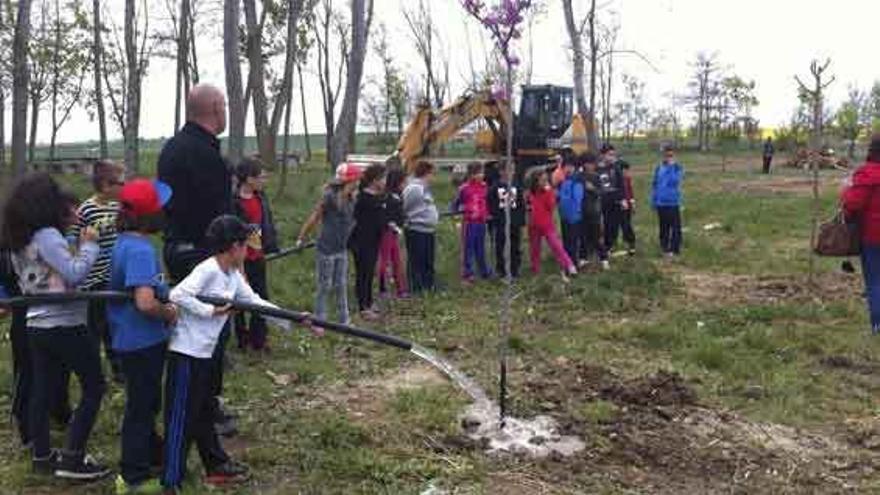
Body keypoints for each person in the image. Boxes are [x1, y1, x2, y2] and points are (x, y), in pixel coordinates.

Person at [163, 215, 286, 491]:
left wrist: (293, 319)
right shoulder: (208, 270)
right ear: (234, 246)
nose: (247, 250)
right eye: (245, 244)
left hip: (206, 354)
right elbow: (178, 295)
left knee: (205, 411)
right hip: (187, 354)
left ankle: (215, 465)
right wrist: (210, 310)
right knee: (181, 418)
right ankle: (171, 481)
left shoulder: (231, 274)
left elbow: (253, 301)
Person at [0, 173, 109, 480]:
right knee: (94, 386)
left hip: (36, 322)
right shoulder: (47, 234)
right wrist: (89, 246)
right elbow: (74, 274)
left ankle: (42, 455)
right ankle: (73, 458)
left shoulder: (19, 238)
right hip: (64, 322)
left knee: (42, 390)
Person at [157, 83, 236, 437]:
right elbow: (219, 220)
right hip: (205, 258)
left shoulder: (170, 150)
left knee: (191, 331)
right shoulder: (208, 157)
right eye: (225, 106)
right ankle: (203, 408)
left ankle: (199, 403)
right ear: (216, 108)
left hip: (175, 250)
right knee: (211, 331)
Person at [108, 179, 178, 494]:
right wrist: (170, 312)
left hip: (130, 339)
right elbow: (145, 302)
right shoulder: (139, 250)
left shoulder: (123, 242)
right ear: (151, 215)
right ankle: (133, 477)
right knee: (141, 407)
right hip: (142, 341)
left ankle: (152, 458)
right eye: (160, 207)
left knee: (146, 404)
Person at [69, 160, 126, 383]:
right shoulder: (87, 209)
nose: (124, 186)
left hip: (114, 276)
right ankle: (92, 374)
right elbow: (72, 238)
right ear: (105, 185)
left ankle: (118, 368)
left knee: (113, 325)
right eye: (120, 183)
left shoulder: (117, 206)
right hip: (93, 279)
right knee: (95, 327)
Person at [297, 163, 360, 325]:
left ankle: (344, 320)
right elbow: (315, 216)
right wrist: (302, 236)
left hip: (341, 248)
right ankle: (320, 319)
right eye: (356, 180)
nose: (358, 183)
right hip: (326, 248)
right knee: (325, 285)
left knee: (341, 284)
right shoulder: (330, 197)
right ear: (349, 180)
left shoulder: (352, 198)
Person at [232, 158, 279, 353]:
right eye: (260, 176)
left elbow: (265, 223)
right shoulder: (233, 202)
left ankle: (259, 338)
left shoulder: (261, 197)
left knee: (261, 298)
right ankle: (242, 339)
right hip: (238, 259)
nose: (264, 180)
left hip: (257, 256)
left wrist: (270, 244)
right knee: (239, 300)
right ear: (249, 179)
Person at [841, 134, 880, 335]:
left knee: (875, 281)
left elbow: (852, 204)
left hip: (872, 237)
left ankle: (877, 325)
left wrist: (846, 190)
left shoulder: (866, 175)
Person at [349, 164, 387, 320]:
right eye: (383, 178)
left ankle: (369, 302)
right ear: (374, 180)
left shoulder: (379, 196)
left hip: (374, 240)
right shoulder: (362, 198)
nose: (385, 181)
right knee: (363, 273)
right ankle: (363, 306)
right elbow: (354, 220)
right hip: (361, 242)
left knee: (370, 272)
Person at [526, 169, 577, 281]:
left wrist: (549, 192)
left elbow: (551, 206)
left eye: (546, 180)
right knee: (535, 248)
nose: (545, 182)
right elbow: (528, 206)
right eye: (542, 180)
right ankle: (535, 269)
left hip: (547, 224)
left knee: (556, 245)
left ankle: (569, 265)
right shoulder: (530, 193)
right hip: (533, 225)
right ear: (535, 181)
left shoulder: (548, 192)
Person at [403, 161, 440, 293]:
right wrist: (411, 219)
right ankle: (416, 287)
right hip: (416, 229)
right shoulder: (414, 188)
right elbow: (404, 206)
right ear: (426, 173)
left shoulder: (425, 188)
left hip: (428, 230)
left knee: (428, 260)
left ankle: (429, 285)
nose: (433, 177)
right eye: (432, 174)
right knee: (416, 260)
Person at [454, 162, 492, 282]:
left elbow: (487, 202)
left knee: (480, 247)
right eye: (478, 173)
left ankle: (483, 270)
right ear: (471, 174)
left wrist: (487, 214)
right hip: (469, 222)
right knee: (468, 247)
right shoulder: (464, 188)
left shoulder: (484, 186)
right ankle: (467, 273)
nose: (481, 175)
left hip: (481, 222)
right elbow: (456, 204)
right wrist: (459, 216)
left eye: (482, 173)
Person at [488, 167, 525, 278]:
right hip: (501, 223)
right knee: (501, 246)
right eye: (508, 169)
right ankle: (501, 269)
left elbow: (520, 203)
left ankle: (515, 269)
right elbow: (491, 204)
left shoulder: (516, 185)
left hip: (514, 222)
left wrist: (521, 220)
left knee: (515, 245)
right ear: (501, 171)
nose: (511, 172)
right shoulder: (495, 187)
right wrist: (494, 219)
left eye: (512, 170)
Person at [377, 165, 408, 298]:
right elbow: (385, 216)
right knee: (384, 260)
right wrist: (392, 225)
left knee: (397, 259)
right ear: (398, 181)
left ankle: (400, 289)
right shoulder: (387, 197)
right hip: (386, 232)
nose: (405, 184)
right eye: (404, 181)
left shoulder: (398, 196)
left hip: (395, 232)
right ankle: (383, 289)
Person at [652, 145, 684, 258]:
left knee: (675, 227)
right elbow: (655, 184)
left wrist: (671, 167)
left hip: (673, 202)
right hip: (661, 203)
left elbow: (675, 181)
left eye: (670, 155)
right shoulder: (658, 168)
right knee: (663, 227)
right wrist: (654, 200)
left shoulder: (677, 168)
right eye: (666, 155)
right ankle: (664, 247)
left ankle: (674, 249)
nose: (668, 157)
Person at [597, 143, 627, 266]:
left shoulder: (616, 168)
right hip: (600, 201)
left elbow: (621, 185)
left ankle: (608, 247)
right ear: (602, 155)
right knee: (599, 226)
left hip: (614, 201)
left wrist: (623, 199)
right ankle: (598, 249)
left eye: (613, 155)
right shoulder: (596, 169)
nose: (612, 157)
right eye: (609, 155)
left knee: (613, 226)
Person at [578, 153, 605, 266]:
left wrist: (592, 189)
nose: (593, 165)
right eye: (590, 163)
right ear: (585, 164)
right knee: (583, 235)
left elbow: (601, 192)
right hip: (581, 210)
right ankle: (583, 257)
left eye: (593, 163)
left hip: (594, 210)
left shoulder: (596, 176)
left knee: (596, 235)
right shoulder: (579, 177)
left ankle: (603, 258)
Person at [558, 159, 585, 264]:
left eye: (571, 166)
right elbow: (560, 199)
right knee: (566, 240)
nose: (568, 169)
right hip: (564, 216)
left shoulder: (577, 181)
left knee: (573, 241)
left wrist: (577, 212)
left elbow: (578, 199)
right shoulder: (563, 182)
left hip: (574, 217)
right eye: (566, 167)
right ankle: (567, 261)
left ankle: (574, 262)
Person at [620, 161, 637, 256]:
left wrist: (632, 203)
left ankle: (631, 243)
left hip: (627, 206)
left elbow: (630, 191)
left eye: (627, 170)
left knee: (626, 225)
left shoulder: (627, 179)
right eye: (625, 170)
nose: (627, 172)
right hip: (619, 205)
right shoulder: (617, 179)